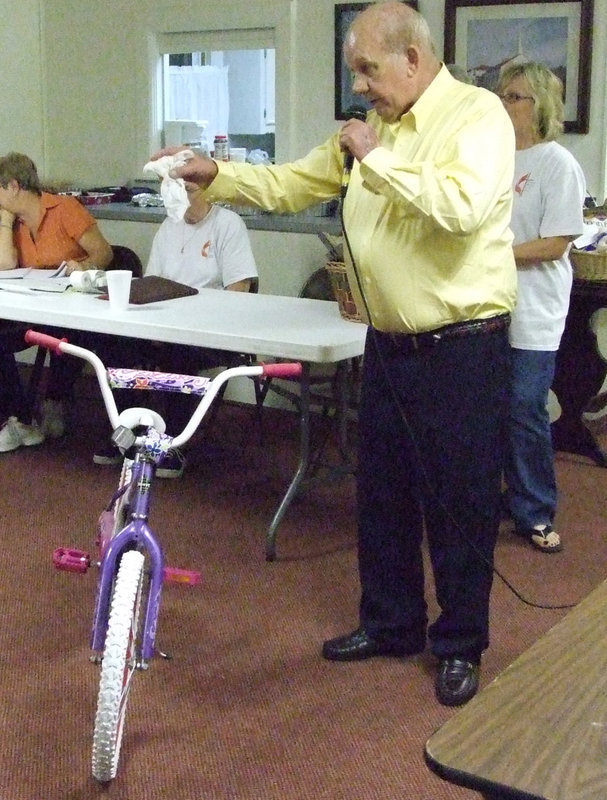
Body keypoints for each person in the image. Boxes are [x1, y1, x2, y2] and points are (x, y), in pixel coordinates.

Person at [152, 1, 516, 705]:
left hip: (461, 350)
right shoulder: (369, 128)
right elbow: (291, 183)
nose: (361, 87)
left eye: (368, 70)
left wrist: (375, 159)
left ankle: (459, 643)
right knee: (380, 492)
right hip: (384, 344)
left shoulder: (475, 117)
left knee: (458, 500)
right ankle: (390, 624)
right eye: (356, 72)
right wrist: (215, 174)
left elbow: (460, 208)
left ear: (411, 57)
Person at [92, 180, 258, 478]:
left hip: (210, 329)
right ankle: (128, 434)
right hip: (165, 322)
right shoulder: (169, 226)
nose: (182, 200)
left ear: (209, 192)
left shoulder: (228, 225)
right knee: (113, 344)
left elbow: (239, 291)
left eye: (190, 192)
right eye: (177, 194)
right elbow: (152, 284)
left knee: (176, 352)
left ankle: (174, 443)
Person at [496, 63, 585, 553]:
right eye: (502, 95)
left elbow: (554, 244)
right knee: (489, 409)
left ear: (541, 106)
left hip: (535, 310)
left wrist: (492, 254)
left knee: (524, 407)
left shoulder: (557, 164)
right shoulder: (493, 158)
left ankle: (534, 509)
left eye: (516, 97)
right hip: (488, 306)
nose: (504, 104)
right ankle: (495, 498)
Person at [0, 152, 113, 452]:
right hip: (33, 310)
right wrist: (4, 221)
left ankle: (53, 401)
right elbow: (6, 264)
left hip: (72, 307)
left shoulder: (65, 209)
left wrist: (85, 267)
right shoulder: (11, 222)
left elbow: (105, 253)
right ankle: (18, 416)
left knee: (72, 333)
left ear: (12, 186)